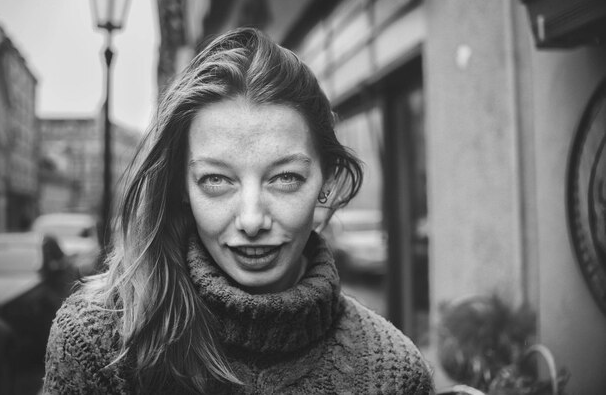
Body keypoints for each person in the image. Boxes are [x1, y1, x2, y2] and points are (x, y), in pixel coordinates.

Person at [43, 27, 433, 394]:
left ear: (326, 182)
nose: (251, 220)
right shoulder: (98, 343)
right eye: (217, 180)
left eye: (284, 178)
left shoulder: (392, 371)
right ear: (182, 186)